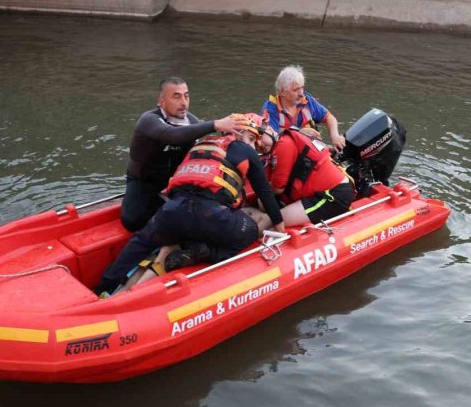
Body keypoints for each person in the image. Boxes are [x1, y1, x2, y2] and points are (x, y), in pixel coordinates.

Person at [95, 114, 285, 296]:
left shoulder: (201, 145)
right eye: (251, 139)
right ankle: (206, 252)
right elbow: (265, 194)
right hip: (212, 216)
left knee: (141, 241)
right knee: (250, 230)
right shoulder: (246, 151)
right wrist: (281, 229)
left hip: (172, 212)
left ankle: (105, 286)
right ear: (238, 132)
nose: (252, 145)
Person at [121, 76, 242, 232]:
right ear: (161, 101)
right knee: (131, 220)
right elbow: (172, 135)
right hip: (143, 181)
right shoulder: (149, 120)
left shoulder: (192, 122)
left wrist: (233, 136)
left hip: (177, 180)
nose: (184, 103)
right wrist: (215, 124)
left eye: (186, 96)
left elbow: (208, 148)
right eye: (176, 96)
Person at [252, 123, 356, 228]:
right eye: (253, 142)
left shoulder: (283, 144)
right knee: (262, 203)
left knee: (270, 220)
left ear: (269, 129)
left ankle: (250, 233)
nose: (259, 144)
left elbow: (277, 188)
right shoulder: (281, 145)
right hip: (319, 192)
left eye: (260, 136)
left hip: (333, 194)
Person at [260, 65, 346, 152]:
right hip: (285, 154)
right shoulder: (270, 110)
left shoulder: (307, 101)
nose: (301, 93)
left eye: (302, 87)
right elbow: (268, 142)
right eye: (296, 90)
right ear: (282, 92)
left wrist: (335, 136)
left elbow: (329, 118)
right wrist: (299, 133)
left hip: (311, 151)